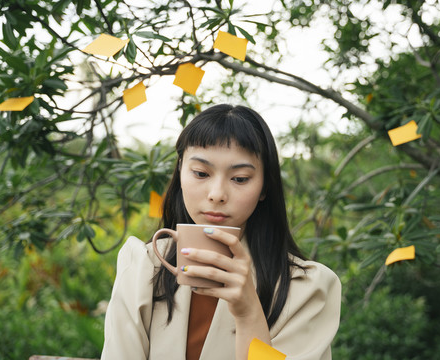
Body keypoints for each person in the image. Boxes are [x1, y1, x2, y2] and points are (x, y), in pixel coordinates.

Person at [101, 104, 341, 360]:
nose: (216, 194)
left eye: (239, 178)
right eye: (201, 173)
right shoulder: (143, 265)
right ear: (180, 172)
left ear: (264, 188)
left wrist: (249, 313)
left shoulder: (307, 290)